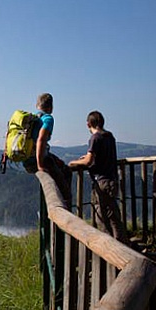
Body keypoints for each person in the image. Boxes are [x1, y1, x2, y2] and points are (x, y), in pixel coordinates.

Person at [68, 111, 130, 245]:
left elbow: (89, 161)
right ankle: (123, 244)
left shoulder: (95, 138)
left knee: (101, 215)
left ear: (88, 124)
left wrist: (74, 162)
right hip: (112, 179)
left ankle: (107, 247)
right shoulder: (109, 136)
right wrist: (85, 158)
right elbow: (100, 156)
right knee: (113, 215)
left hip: (101, 181)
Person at [23, 93, 72, 208]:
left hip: (27, 160)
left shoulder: (32, 119)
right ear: (51, 107)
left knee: (63, 167)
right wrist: (40, 164)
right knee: (66, 191)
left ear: (37, 105)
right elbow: (41, 140)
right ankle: (65, 215)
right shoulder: (47, 119)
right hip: (39, 160)